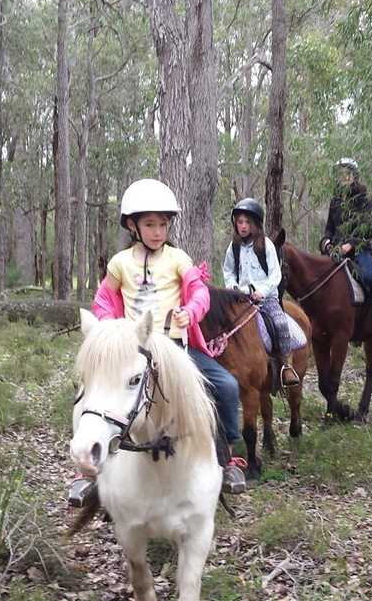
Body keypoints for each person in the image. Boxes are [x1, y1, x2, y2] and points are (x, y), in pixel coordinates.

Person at [68, 178, 247, 506]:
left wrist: (190, 313)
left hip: (175, 347)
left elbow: (200, 292)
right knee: (88, 394)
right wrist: (109, 329)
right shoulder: (120, 263)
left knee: (225, 386)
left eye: (163, 224)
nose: (157, 231)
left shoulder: (178, 259)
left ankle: (228, 457)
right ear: (133, 226)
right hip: (132, 348)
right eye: (150, 224)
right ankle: (85, 471)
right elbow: (104, 300)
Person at [222, 198, 300, 388]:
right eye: (239, 222)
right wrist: (233, 288)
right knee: (222, 323)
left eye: (247, 222)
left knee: (280, 323)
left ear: (256, 224)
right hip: (241, 298)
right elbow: (228, 271)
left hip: (265, 299)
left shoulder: (266, 245)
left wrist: (261, 292)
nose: (243, 226)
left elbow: (275, 275)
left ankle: (285, 366)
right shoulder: (234, 247)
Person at [319, 158, 372, 336]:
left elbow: (368, 230)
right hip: (337, 252)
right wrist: (326, 243)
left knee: (368, 277)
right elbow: (329, 228)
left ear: (354, 176)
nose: (343, 177)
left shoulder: (362, 199)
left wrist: (350, 245)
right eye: (340, 173)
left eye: (346, 173)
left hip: (360, 250)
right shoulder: (335, 200)